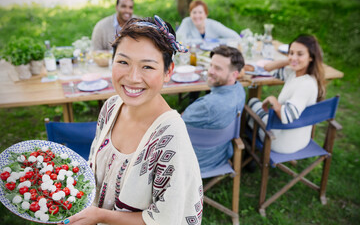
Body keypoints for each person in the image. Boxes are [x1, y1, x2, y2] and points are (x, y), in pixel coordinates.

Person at [64, 16, 203, 225]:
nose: (133, 77)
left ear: (168, 72)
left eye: (147, 66)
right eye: (123, 62)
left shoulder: (170, 136)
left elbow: (168, 218)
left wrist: (101, 216)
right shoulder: (111, 107)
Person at [247, 34, 325, 154]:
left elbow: (286, 116)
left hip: (281, 142)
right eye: (291, 52)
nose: (294, 57)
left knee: (251, 104)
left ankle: (248, 147)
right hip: (299, 138)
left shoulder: (306, 85)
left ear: (311, 57)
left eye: (300, 54)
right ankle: (251, 143)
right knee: (255, 104)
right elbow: (268, 68)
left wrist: (273, 99)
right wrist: (290, 60)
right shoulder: (295, 74)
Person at [182, 45, 246, 173]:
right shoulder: (239, 90)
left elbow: (176, 123)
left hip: (195, 162)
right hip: (221, 154)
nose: (210, 71)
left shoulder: (207, 106)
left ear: (234, 75)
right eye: (211, 65)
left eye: (217, 68)